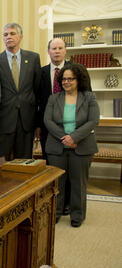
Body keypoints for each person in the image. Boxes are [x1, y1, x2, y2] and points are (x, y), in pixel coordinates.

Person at [44, 64, 99, 228]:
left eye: (70, 79)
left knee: (78, 183)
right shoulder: (53, 98)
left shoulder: (89, 97)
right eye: (64, 79)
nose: (66, 82)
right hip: (57, 146)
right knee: (57, 183)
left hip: (81, 146)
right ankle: (56, 213)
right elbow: (48, 120)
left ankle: (77, 216)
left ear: (78, 80)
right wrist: (64, 137)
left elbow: (93, 120)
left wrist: (74, 137)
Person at [0, 23, 41, 160]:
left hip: (26, 121)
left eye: (12, 34)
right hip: (4, 121)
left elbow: (37, 89)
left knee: (24, 163)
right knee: (1, 163)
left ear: (20, 36)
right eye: (5, 35)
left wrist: (38, 123)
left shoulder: (33, 58)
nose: (8, 37)